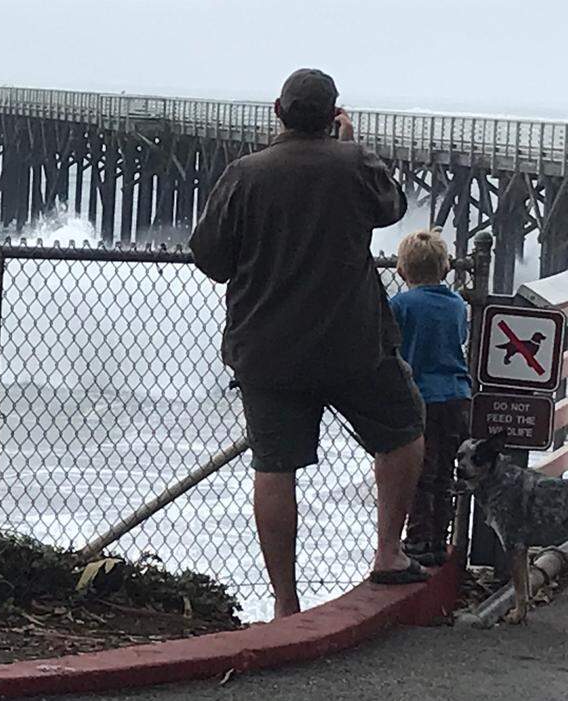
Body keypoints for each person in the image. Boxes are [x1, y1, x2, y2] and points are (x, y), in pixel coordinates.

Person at [189, 68, 429, 620]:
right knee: (403, 430)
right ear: (334, 113)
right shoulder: (355, 164)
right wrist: (353, 146)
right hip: (353, 343)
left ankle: (284, 602)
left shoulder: (244, 174)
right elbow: (392, 209)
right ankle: (388, 551)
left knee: (276, 466)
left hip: (267, 347)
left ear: (278, 111)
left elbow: (211, 258)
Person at [390, 229, 471, 567]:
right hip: (458, 396)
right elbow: (461, 338)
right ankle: (440, 537)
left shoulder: (401, 304)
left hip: (421, 398)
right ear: (446, 268)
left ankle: (419, 539)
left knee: (421, 470)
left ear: (401, 270)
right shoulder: (456, 303)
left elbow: (389, 344)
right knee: (445, 472)